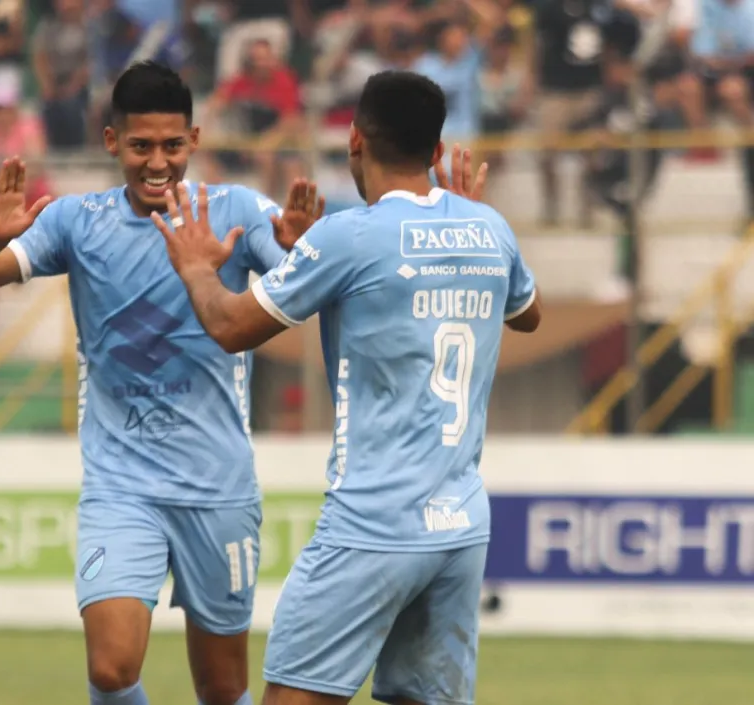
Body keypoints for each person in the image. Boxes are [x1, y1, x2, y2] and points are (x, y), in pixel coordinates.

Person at [150, 70, 541, 705]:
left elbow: (228, 326)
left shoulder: (349, 235)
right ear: (438, 153)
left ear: (354, 140)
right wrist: (471, 216)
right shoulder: (489, 231)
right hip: (460, 526)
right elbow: (528, 313)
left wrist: (197, 269)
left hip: (373, 523)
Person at [0, 60, 323, 705]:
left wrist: (298, 251)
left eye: (172, 146)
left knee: (224, 688)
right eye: (141, 145)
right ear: (113, 142)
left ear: (194, 141)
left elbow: (305, 290)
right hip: (122, 488)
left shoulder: (232, 210)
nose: (158, 162)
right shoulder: (73, 221)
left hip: (218, 489)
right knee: (112, 669)